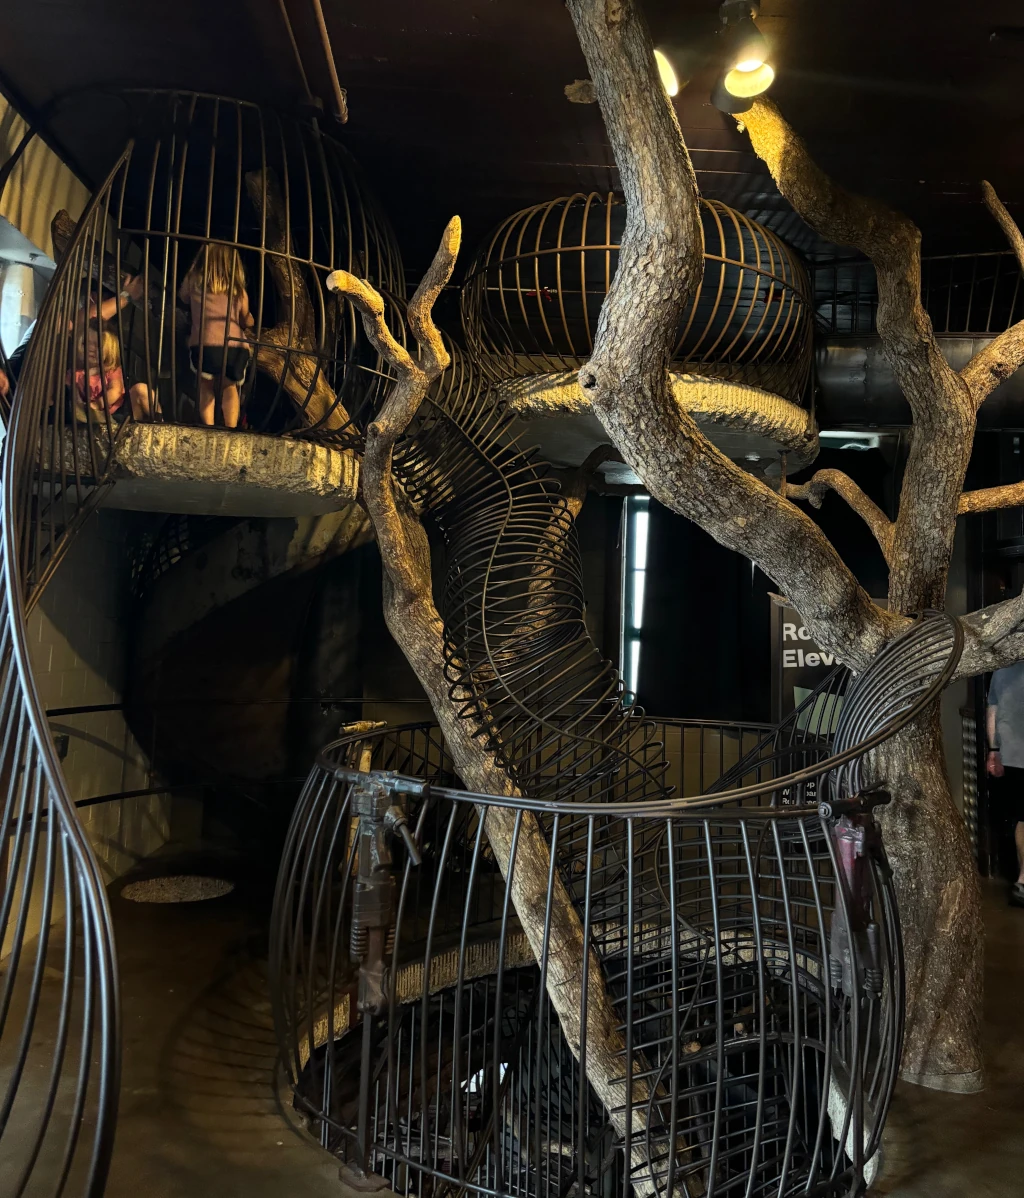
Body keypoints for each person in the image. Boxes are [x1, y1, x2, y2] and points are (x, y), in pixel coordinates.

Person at [178, 245, 253, 428]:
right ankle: (231, 427)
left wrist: (194, 267)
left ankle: (209, 426)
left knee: (205, 386)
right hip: (234, 347)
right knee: (230, 387)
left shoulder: (194, 281)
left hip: (205, 346)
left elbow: (183, 297)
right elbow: (247, 320)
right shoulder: (238, 290)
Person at [986, 661, 1024, 907]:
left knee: (1023, 817)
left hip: (1014, 754)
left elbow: (993, 710)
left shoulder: (1003, 667)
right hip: (1014, 752)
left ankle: (1023, 879)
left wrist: (994, 750)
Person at [67, 327, 154, 423]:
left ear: (110, 350)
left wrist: (97, 404)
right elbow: (74, 396)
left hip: (119, 413)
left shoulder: (111, 370)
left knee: (141, 389)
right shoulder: (74, 374)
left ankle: (159, 422)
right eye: (85, 343)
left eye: (98, 345)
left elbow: (115, 391)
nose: (90, 348)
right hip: (91, 416)